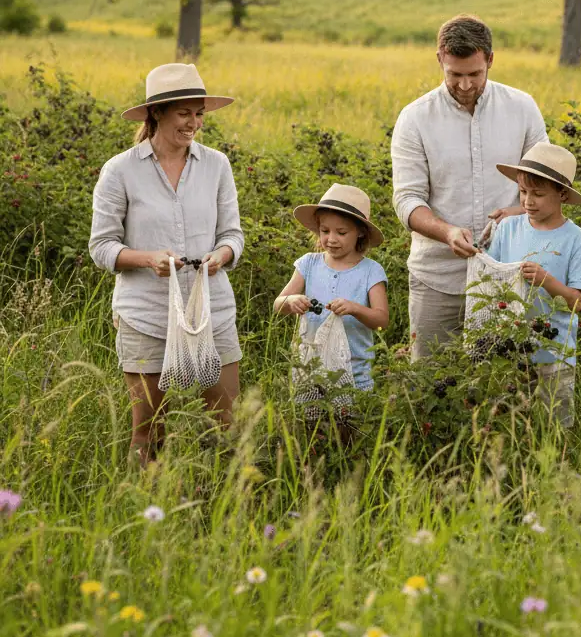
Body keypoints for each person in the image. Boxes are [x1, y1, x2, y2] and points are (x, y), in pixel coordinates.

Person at [89, 63, 244, 465]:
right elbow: (102, 247)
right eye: (184, 113)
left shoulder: (217, 165)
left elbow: (233, 236)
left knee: (227, 426)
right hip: (147, 316)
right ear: (157, 113)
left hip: (213, 312)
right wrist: (148, 259)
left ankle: (224, 509)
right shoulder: (120, 170)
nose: (194, 123)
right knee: (149, 431)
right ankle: (146, 514)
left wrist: (220, 256)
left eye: (199, 114)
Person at [391, 14, 547, 359]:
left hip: (507, 275)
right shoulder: (415, 118)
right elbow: (407, 199)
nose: (464, 85)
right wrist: (446, 232)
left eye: (474, 74)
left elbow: (547, 188)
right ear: (439, 60)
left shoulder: (522, 108)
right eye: (454, 75)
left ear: (490, 60)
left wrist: (520, 210)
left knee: (501, 383)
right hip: (437, 277)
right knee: (429, 383)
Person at [487, 142, 581, 427]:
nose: (527, 202)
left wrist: (548, 282)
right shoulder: (508, 229)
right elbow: (491, 278)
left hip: (555, 352)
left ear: (562, 194)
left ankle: (556, 470)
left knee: (554, 425)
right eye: (523, 192)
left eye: (538, 194)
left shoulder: (576, 239)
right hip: (510, 346)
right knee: (510, 424)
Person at [273, 184, 389, 393]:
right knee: (312, 422)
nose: (331, 239)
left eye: (341, 232)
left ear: (360, 232)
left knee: (350, 422)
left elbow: (382, 320)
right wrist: (291, 302)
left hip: (355, 373)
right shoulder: (308, 264)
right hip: (310, 367)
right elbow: (278, 305)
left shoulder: (371, 271)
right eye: (324, 231)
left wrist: (355, 308)